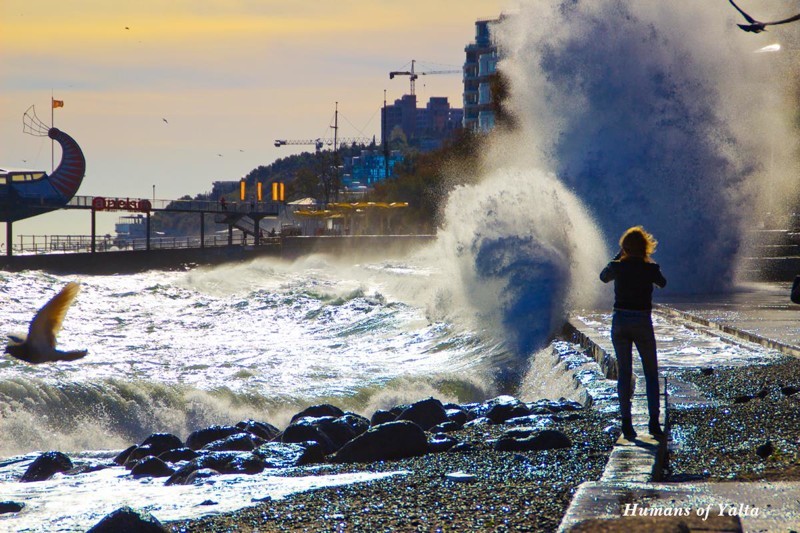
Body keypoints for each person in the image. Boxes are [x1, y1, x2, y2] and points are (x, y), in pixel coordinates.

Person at [600, 226, 667, 441]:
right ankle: (654, 422)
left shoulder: (617, 267)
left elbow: (603, 277)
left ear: (625, 247)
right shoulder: (650, 269)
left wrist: (619, 256)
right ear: (645, 247)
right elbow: (662, 283)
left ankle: (627, 424)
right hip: (641, 321)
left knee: (625, 374)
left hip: (620, 321)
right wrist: (647, 262)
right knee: (650, 373)